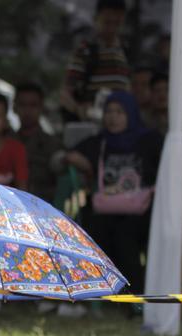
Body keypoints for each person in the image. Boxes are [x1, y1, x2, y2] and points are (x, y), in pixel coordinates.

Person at [64, 91, 162, 295]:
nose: (112, 117)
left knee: (125, 234)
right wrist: (80, 163)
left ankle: (134, 295)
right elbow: (67, 156)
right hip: (106, 208)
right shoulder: (100, 142)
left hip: (141, 209)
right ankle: (93, 291)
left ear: (132, 114)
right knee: (85, 227)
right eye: (108, 111)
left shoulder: (149, 140)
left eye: (119, 112)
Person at [60, 0, 130, 123]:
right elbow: (65, 93)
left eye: (117, 23)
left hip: (121, 127)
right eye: (107, 22)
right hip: (94, 124)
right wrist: (79, 110)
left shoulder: (126, 52)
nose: (112, 28)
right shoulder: (85, 51)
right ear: (95, 19)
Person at [13, 82, 63, 202]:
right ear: (14, 107)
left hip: (43, 207)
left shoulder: (53, 145)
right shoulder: (6, 142)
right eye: (22, 105)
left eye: (33, 105)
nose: (27, 110)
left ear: (41, 108)